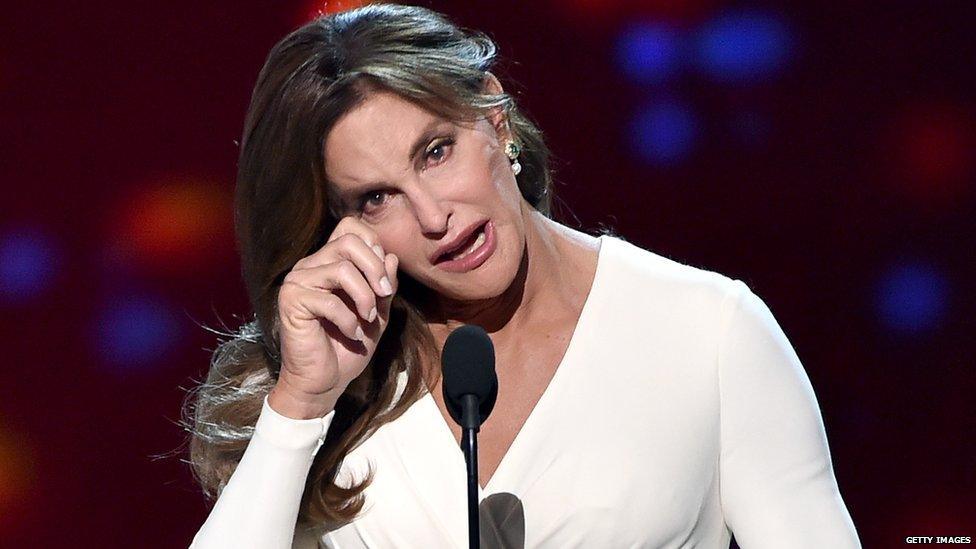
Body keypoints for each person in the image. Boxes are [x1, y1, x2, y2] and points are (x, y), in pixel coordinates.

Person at [184, 4, 861, 548]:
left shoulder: (711, 333)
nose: (433, 215)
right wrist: (300, 404)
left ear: (493, 114)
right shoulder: (327, 381)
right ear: (339, 224)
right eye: (377, 197)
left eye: (436, 151)